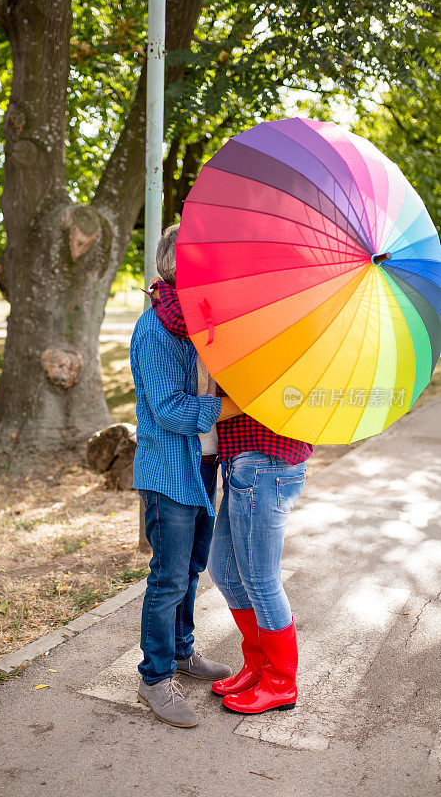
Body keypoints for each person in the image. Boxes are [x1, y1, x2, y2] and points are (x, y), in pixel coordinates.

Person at [153, 269, 313, 715]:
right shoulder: (261, 319)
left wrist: (165, 291)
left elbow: (185, 321)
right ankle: (258, 665)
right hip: (244, 460)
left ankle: (281, 682)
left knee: (260, 578)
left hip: (266, 458)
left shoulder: (276, 324)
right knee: (225, 570)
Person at [130, 224, 241, 728]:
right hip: (168, 471)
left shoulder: (200, 325)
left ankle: (181, 652)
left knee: (192, 568)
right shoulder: (155, 330)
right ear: (181, 270)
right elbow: (171, 411)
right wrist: (226, 407)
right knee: (169, 576)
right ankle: (154, 678)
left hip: (203, 463)